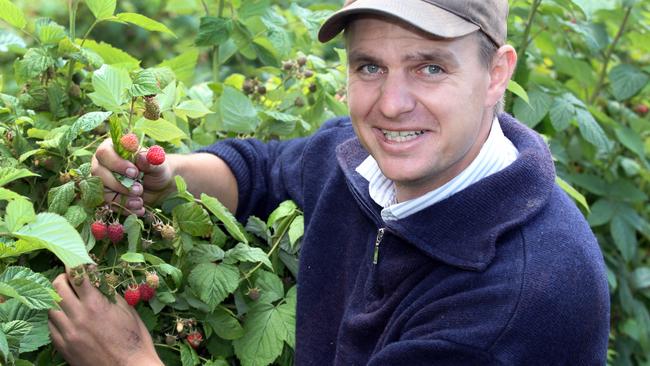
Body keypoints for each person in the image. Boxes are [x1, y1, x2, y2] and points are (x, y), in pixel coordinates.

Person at [48, 0, 611, 364]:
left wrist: (126, 360)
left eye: (430, 67)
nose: (391, 104)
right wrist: (169, 179)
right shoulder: (361, 163)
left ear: (496, 74)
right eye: (369, 66)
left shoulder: (518, 300)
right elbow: (264, 171)